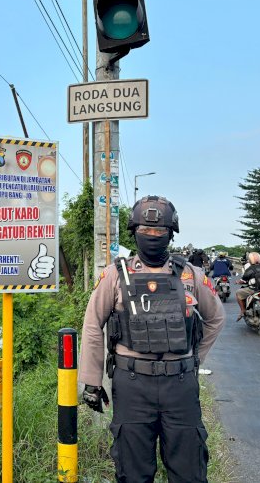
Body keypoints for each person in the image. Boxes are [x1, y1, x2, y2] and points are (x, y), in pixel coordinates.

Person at [79, 195, 226, 483]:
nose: (153, 237)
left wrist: (194, 358)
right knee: (133, 474)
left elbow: (215, 318)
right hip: (133, 386)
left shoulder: (190, 274)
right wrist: (92, 382)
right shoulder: (115, 275)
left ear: (171, 235)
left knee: (189, 472)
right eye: (146, 231)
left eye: (160, 232)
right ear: (134, 233)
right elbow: (93, 324)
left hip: (180, 386)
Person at [235, 252, 260, 321]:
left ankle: (242, 310)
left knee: (238, 293)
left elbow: (243, 280)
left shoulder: (250, 269)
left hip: (252, 290)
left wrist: (238, 282)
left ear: (250, 260)